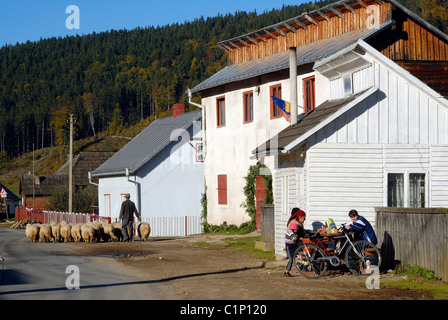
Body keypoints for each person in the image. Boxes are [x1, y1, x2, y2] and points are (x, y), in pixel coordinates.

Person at [284, 209, 307, 277]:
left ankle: (302, 265)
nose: (304, 220)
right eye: (304, 218)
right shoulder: (295, 224)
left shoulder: (295, 223)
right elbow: (295, 237)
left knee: (293, 258)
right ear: (300, 217)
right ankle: (287, 271)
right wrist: (299, 238)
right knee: (292, 259)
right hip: (291, 245)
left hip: (293, 245)